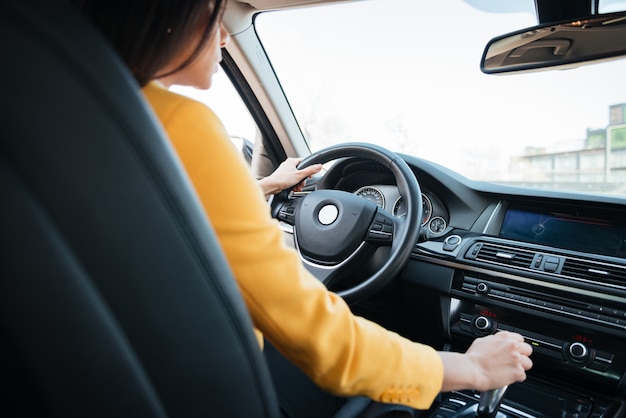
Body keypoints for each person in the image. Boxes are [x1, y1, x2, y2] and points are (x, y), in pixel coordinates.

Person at [70, 0, 533, 416]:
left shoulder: (78, 114)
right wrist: (470, 367)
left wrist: (270, 185)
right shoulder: (182, 125)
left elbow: (189, 217)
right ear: (165, 15)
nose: (225, 34)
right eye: (214, 11)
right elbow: (320, 337)